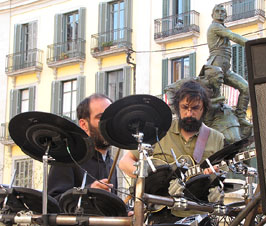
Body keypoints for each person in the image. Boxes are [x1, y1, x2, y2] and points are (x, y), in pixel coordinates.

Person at [119, 80, 224, 224]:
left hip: (198, 213)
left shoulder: (216, 138)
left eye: (195, 108)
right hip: (161, 211)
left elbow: (219, 177)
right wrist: (151, 179)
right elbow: (125, 162)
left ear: (204, 109)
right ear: (177, 107)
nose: (189, 113)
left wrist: (214, 177)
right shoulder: (159, 132)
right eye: (185, 107)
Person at [48, 93, 117, 201]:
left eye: (111, 118)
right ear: (84, 124)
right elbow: (52, 202)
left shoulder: (110, 162)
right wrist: (88, 192)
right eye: (100, 117)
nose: (107, 123)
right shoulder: (67, 158)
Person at [207, 4, 251, 128]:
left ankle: (241, 117)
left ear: (226, 15)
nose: (220, 13)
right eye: (217, 11)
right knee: (216, 99)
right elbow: (233, 36)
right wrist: (251, 44)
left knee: (246, 88)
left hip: (225, 69)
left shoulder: (220, 27)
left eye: (222, 11)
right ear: (212, 15)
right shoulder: (215, 26)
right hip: (215, 67)